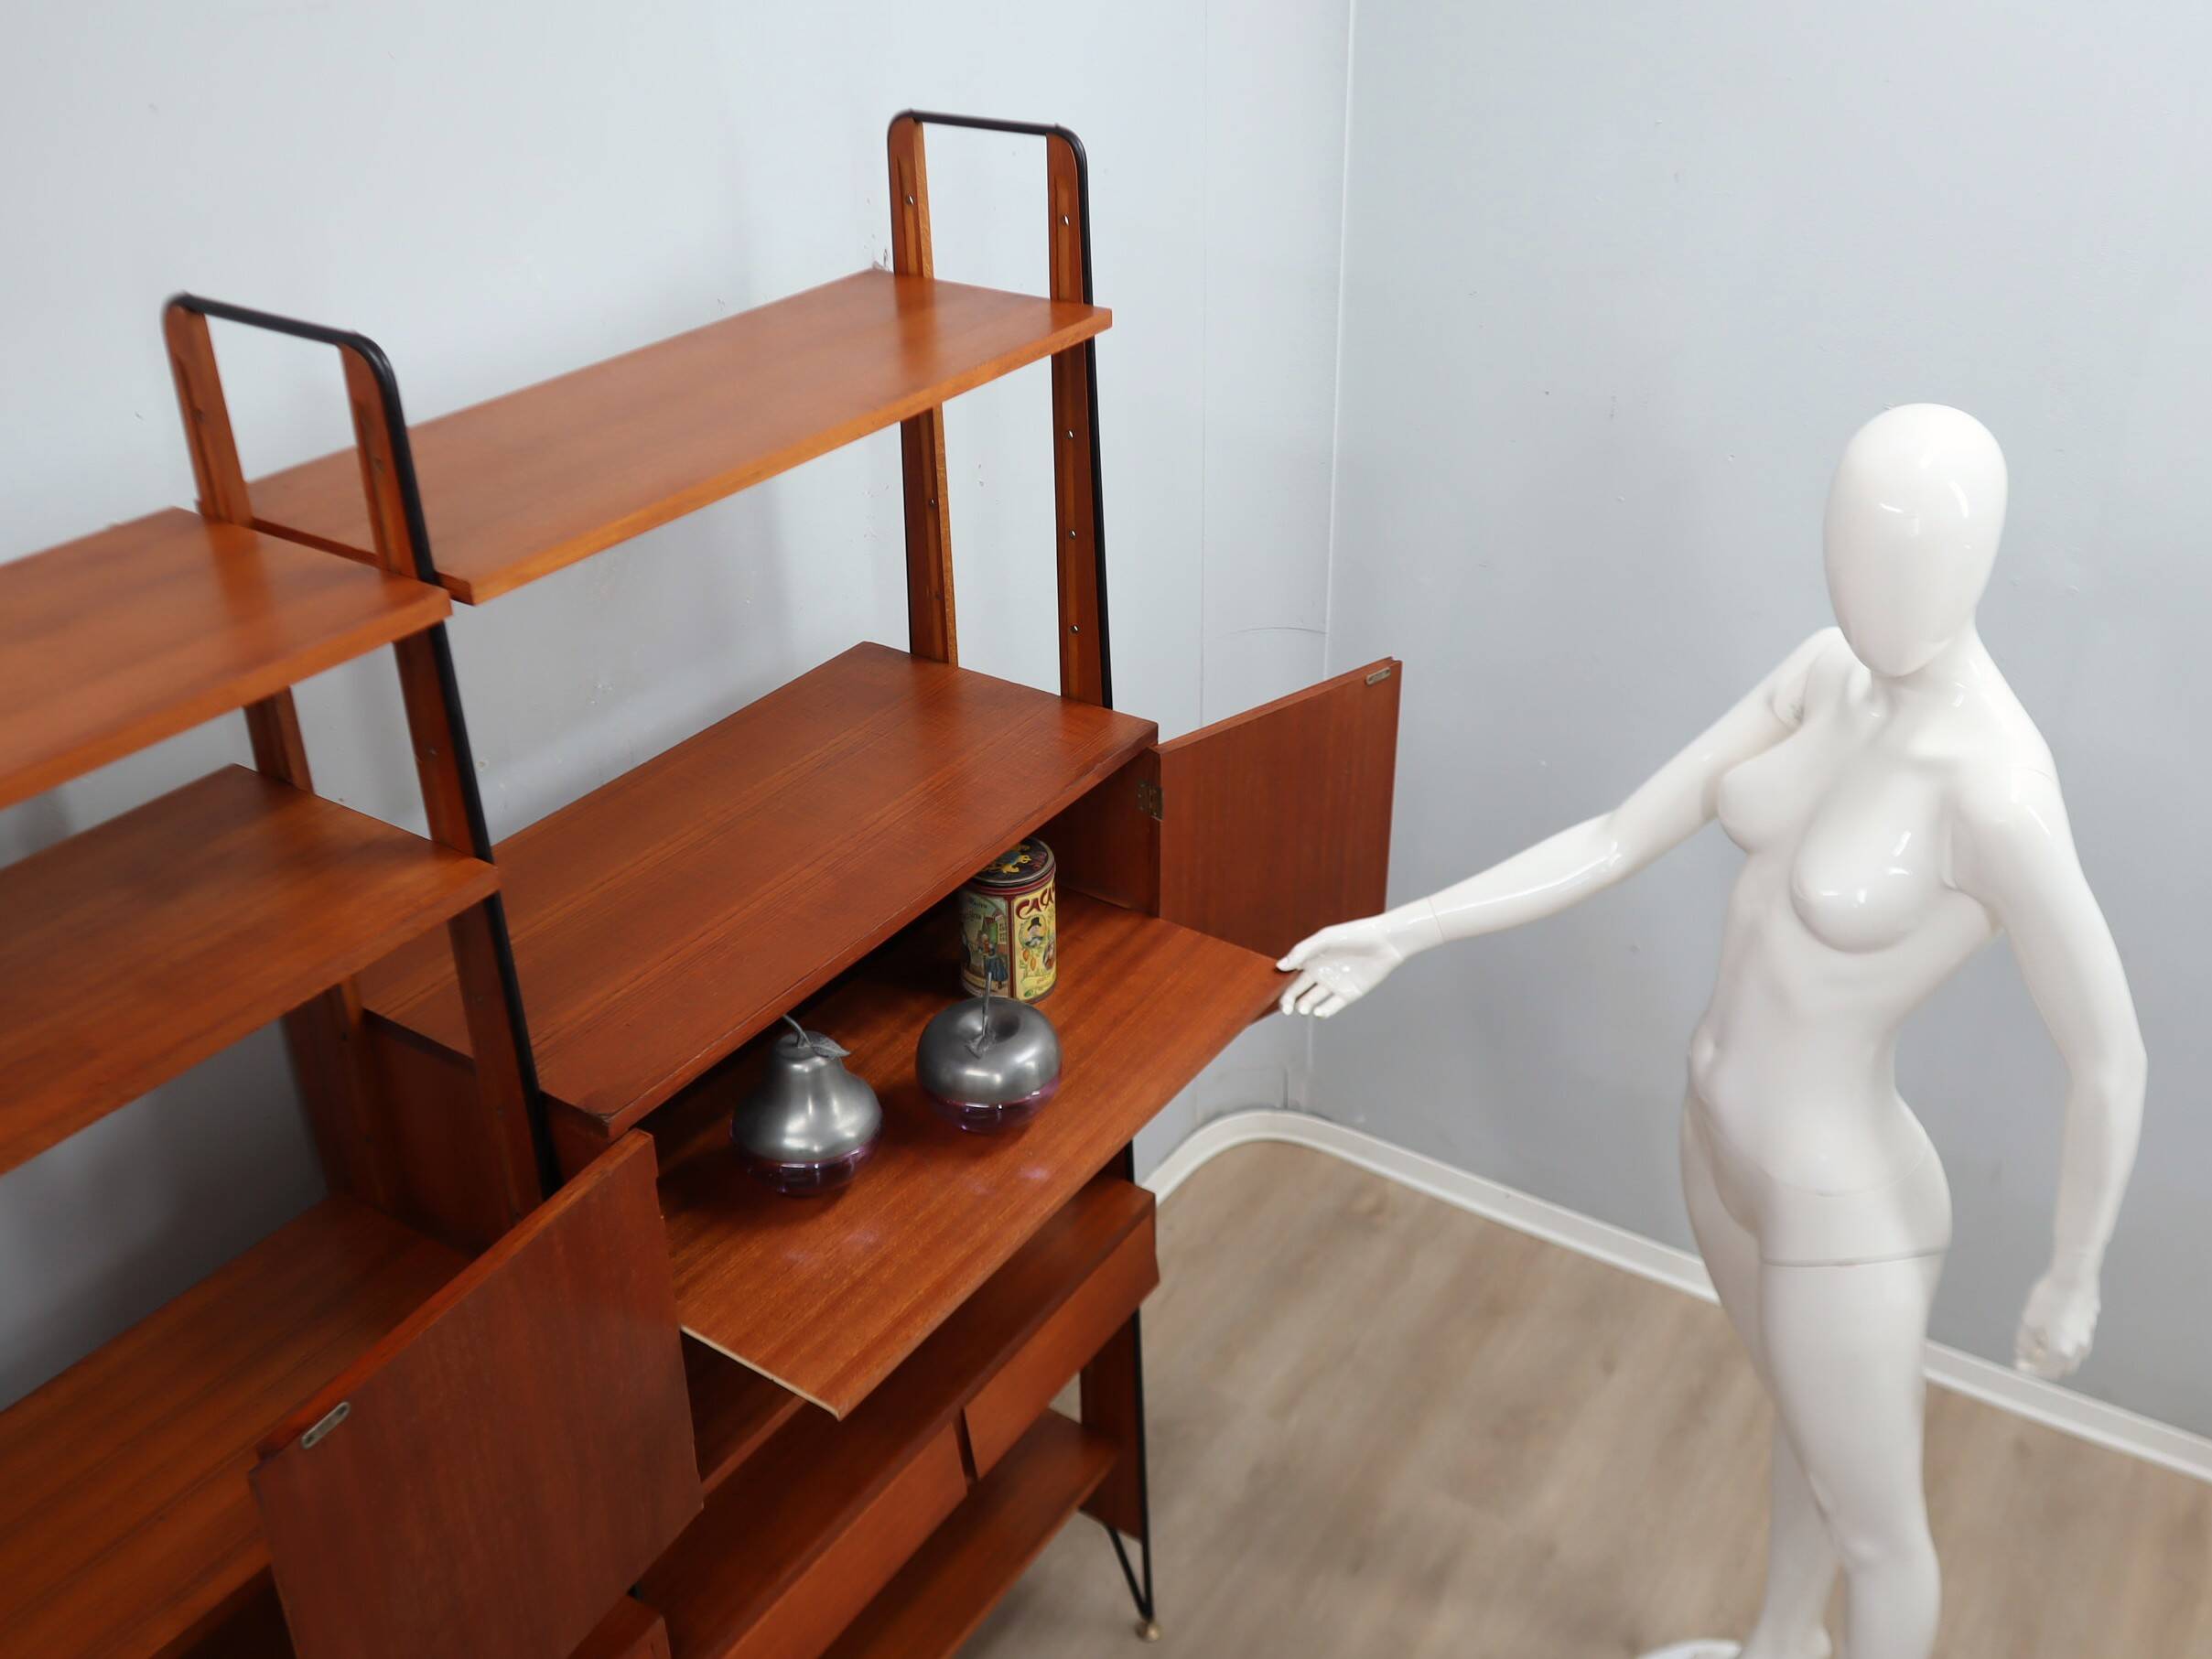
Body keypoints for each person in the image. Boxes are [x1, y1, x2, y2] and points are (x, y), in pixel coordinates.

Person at [1276, 405, 2145, 1659]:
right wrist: (1399, 930)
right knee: (1801, 1433)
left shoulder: (1993, 787)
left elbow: (2106, 1052)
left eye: (1901, 559)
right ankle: (1777, 1646)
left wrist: (2075, 1270)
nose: (1865, 587)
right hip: (1716, 1150)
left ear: (1975, 563)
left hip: (1840, 1205)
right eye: (1848, 549)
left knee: (1875, 1527)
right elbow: (1616, 833)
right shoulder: (1820, 672)